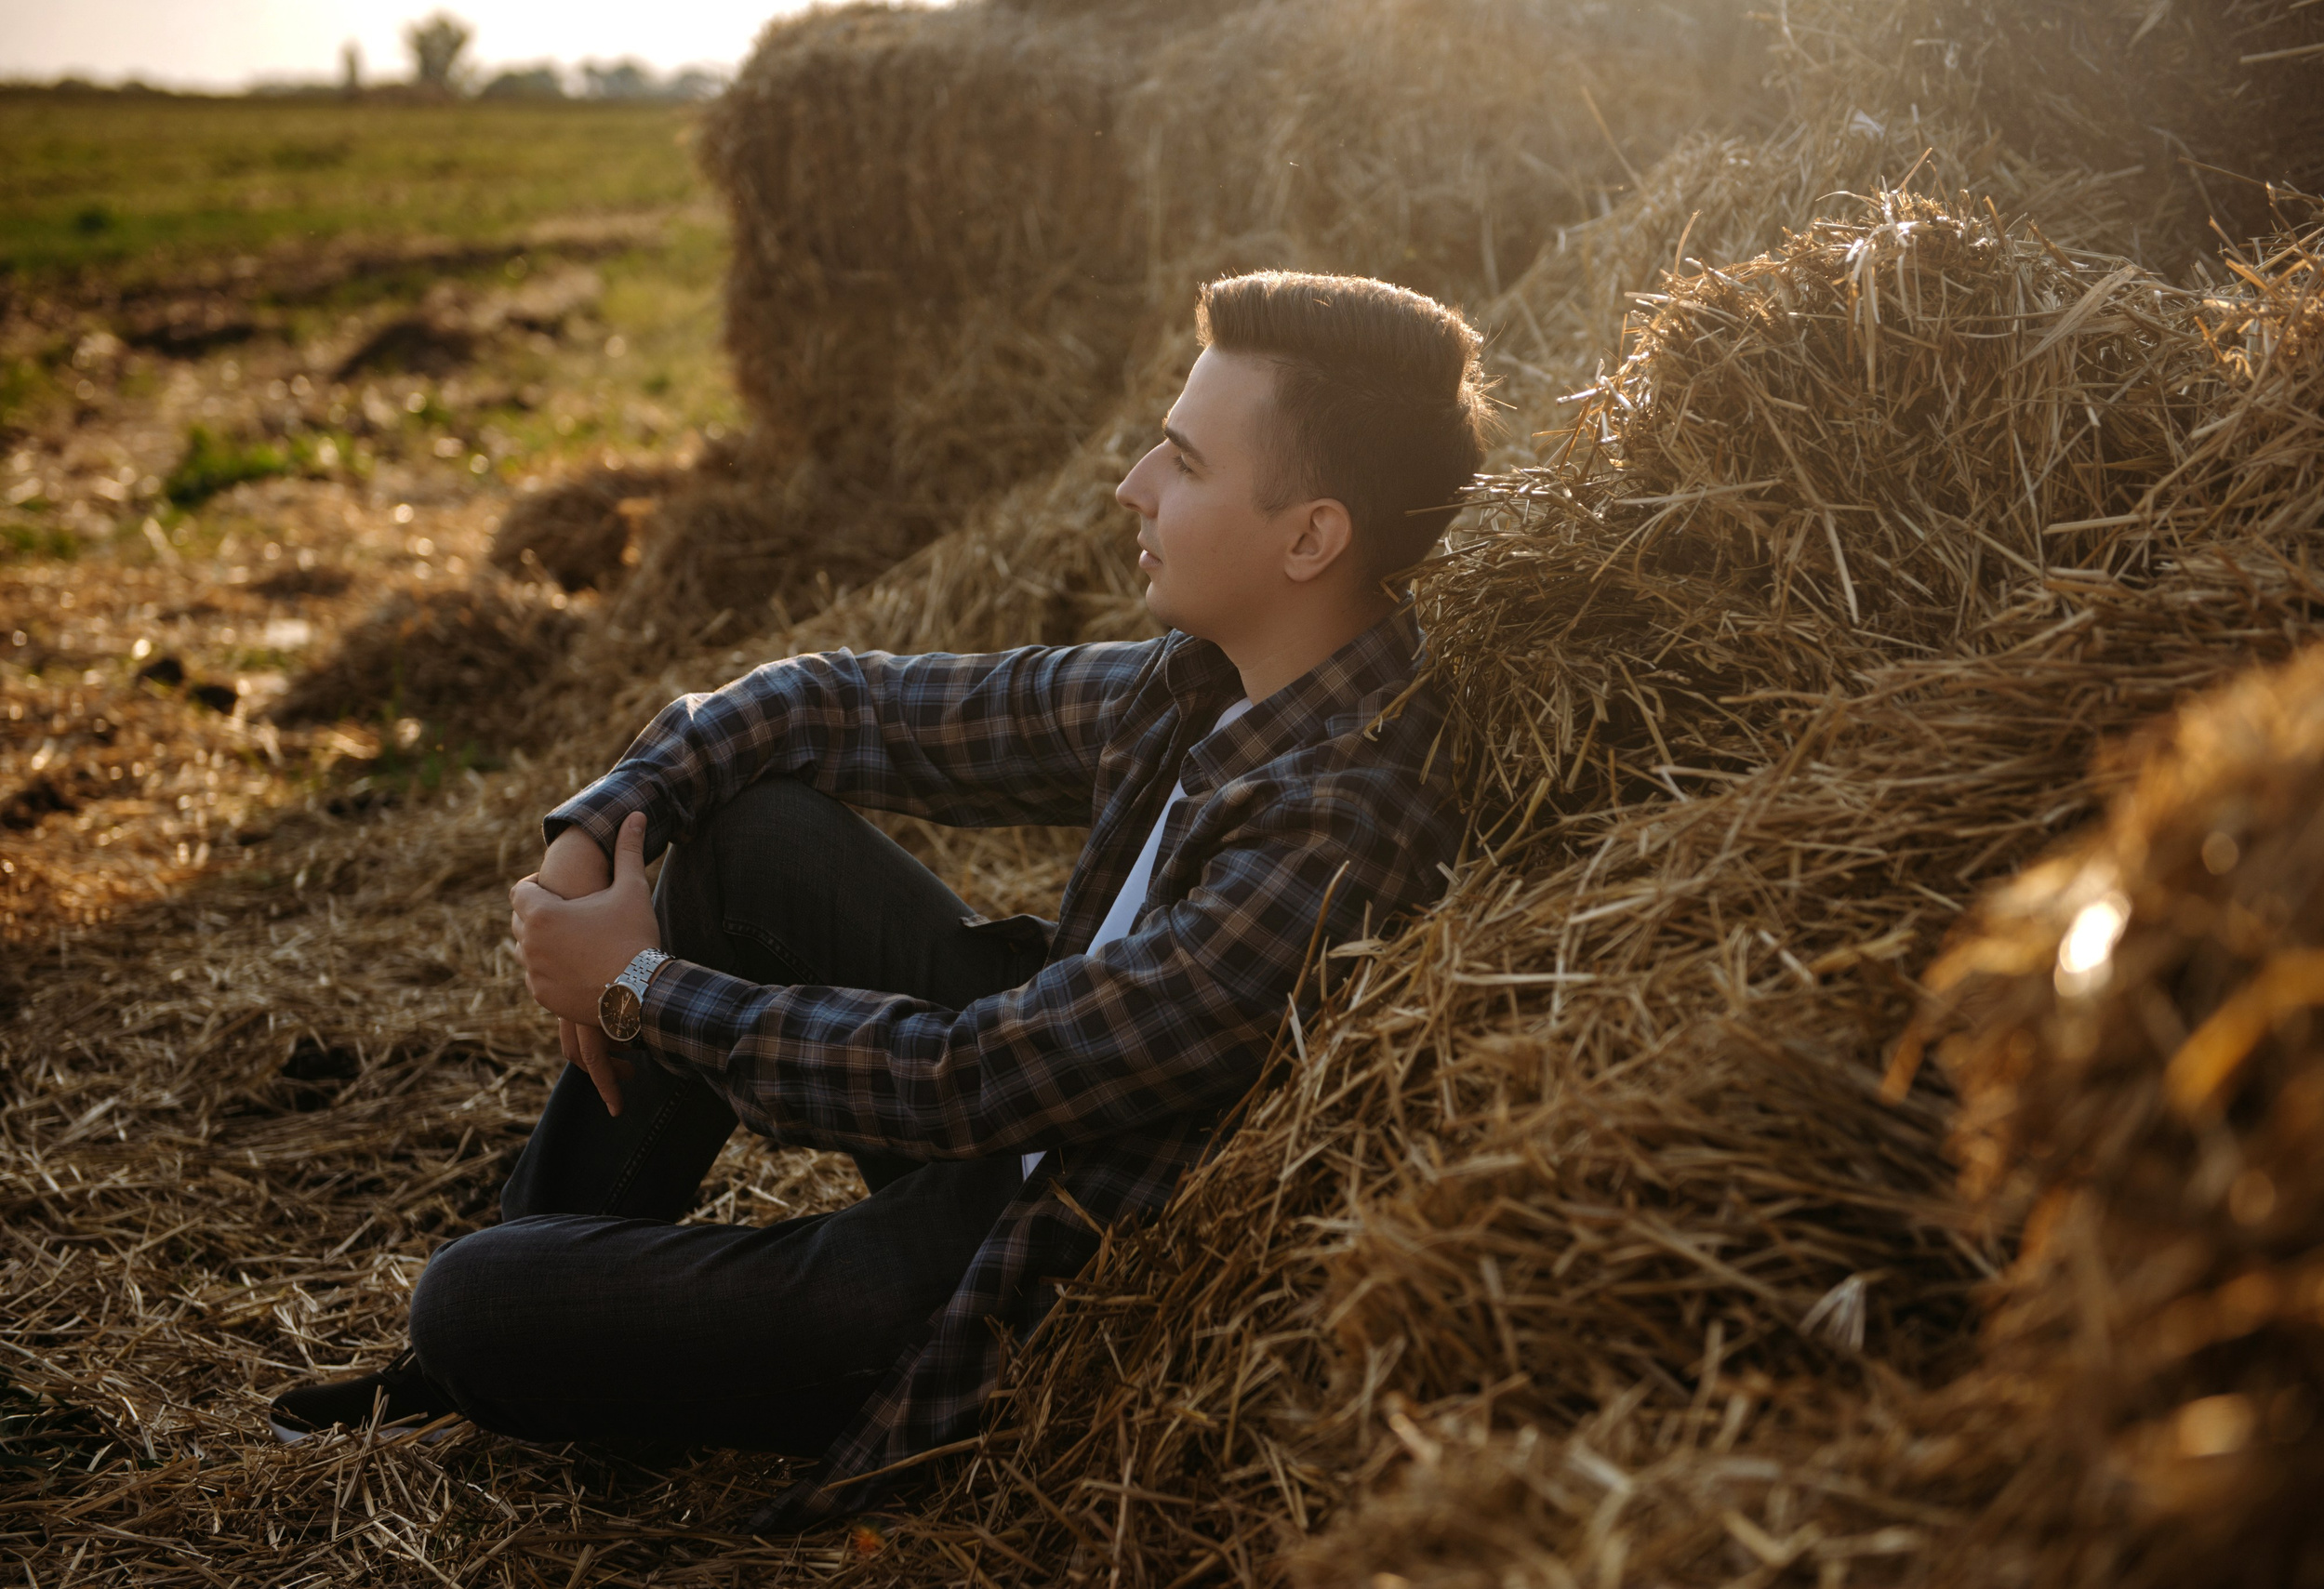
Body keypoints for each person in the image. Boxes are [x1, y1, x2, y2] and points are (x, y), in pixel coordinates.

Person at [266, 270, 1487, 1528]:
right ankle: (555, 1279)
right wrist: (603, 824)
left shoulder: (1338, 825)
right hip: (1027, 1118)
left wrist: (638, 989)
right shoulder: (1204, 681)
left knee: (465, 1301)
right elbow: (841, 703)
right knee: (754, 840)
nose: (1133, 484)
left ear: (1309, 538)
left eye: (1182, 461)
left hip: (1017, 1261)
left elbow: (972, 1080)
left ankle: (533, 1318)